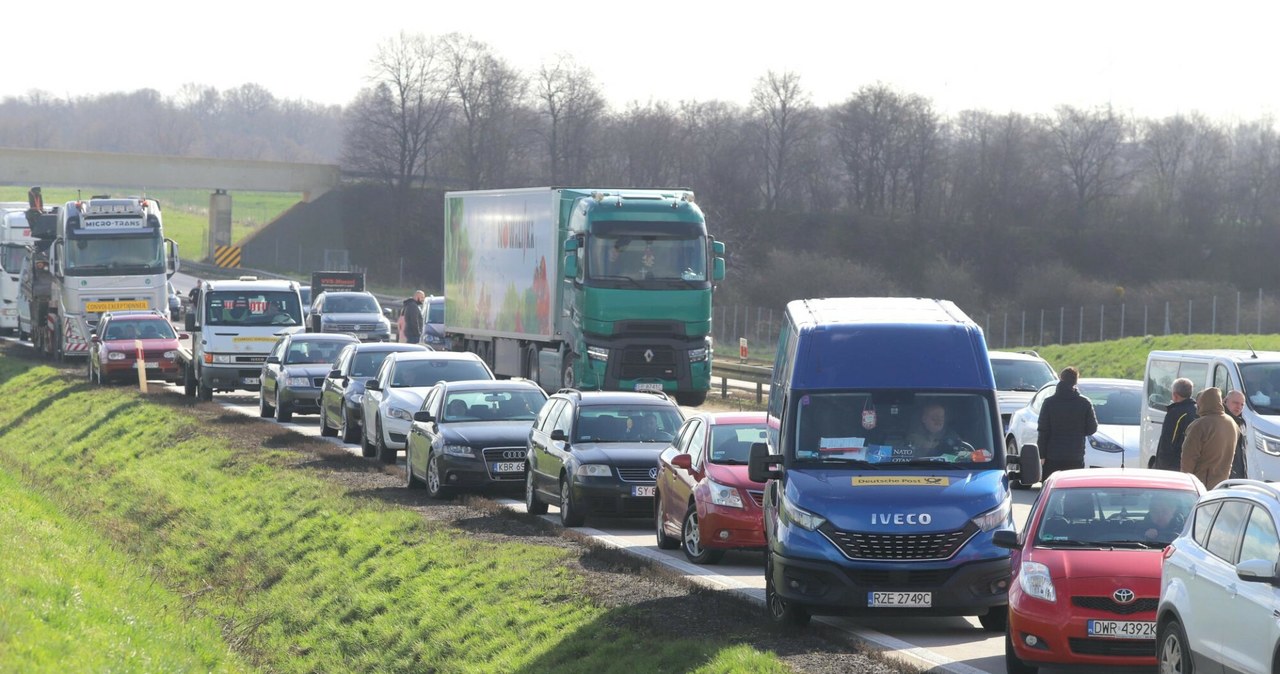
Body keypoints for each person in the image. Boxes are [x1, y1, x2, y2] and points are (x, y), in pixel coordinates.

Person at [1037, 366, 1099, 481]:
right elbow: (1092, 428)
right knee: (1072, 489)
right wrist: (1078, 431)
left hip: (1052, 455)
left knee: (1051, 487)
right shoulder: (1084, 403)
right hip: (1075, 455)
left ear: (1061, 379)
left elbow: (1043, 430)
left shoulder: (1049, 403)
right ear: (1076, 381)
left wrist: (1041, 455)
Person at [1180, 387, 1240, 489]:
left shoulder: (1200, 425)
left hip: (1200, 484)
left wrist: (1184, 482)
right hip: (1222, 483)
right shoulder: (1232, 423)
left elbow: (1188, 457)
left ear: (1202, 403)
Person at [1155, 377, 1197, 471]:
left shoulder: (1175, 413)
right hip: (1189, 465)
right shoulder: (1196, 410)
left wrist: (1161, 467)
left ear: (1175, 395)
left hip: (1173, 466)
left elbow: (1168, 442)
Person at [1224, 389, 1249, 480]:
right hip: (1225, 478)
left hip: (1237, 476)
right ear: (1225, 401)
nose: (1239, 407)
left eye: (1242, 404)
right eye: (1235, 403)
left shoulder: (1241, 423)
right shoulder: (1221, 421)